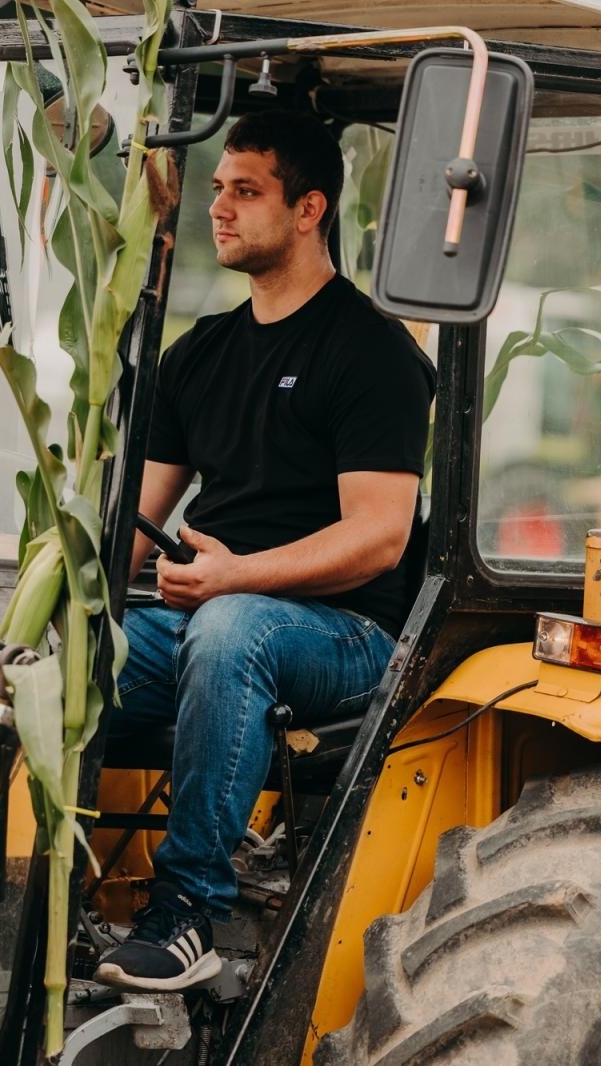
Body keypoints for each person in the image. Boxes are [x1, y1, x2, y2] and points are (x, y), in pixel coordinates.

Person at [94, 110, 435, 991]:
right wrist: (62, 606)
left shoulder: (369, 352)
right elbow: (136, 520)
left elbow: (379, 536)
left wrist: (233, 576)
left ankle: (185, 916)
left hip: (348, 635)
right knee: (56, 667)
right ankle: (32, 897)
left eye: (247, 191)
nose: (221, 208)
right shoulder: (203, 352)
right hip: (211, 614)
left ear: (310, 208)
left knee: (232, 630)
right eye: (217, 189)